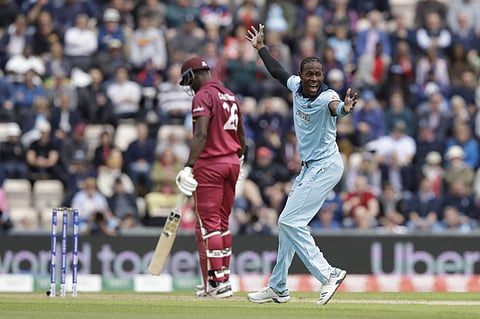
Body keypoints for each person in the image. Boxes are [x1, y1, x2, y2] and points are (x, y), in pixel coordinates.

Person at [245, 24, 357, 305]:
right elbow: (277, 71)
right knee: (286, 225)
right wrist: (261, 49)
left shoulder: (327, 97)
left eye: (319, 74)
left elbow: (337, 109)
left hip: (327, 165)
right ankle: (278, 286)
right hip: (309, 167)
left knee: (289, 221)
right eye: (310, 74)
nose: (315, 78)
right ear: (302, 75)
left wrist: (345, 109)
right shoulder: (295, 86)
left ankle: (328, 273)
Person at [175, 55, 246, 298]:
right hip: (232, 162)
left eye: (188, 82)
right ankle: (223, 278)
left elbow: (201, 134)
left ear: (193, 75)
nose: (189, 88)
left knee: (209, 224)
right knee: (223, 224)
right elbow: (241, 133)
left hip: (211, 164)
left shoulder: (203, 96)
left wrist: (188, 165)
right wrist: (239, 157)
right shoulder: (230, 95)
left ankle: (217, 283)